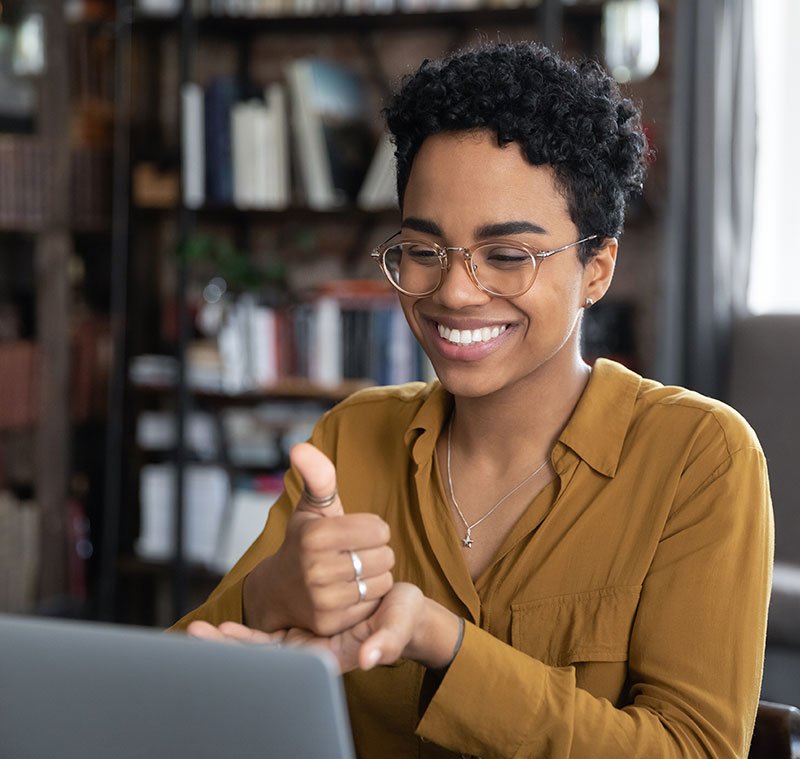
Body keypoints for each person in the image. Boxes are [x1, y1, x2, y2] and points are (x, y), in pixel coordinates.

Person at [173, 41, 773, 758]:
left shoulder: (697, 458)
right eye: (424, 250)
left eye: (508, 256)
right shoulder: (352, 438)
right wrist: (272, 593)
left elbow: (698, 750)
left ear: (597, 268)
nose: (454, 291)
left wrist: (445, 643)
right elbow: (164, 697)